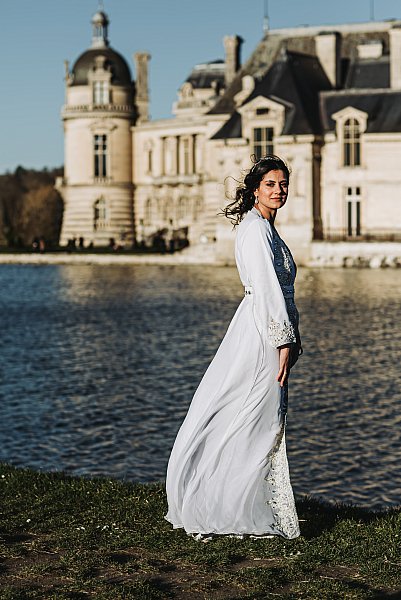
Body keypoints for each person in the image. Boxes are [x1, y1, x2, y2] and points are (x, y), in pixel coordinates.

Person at [165, 155, 302, 540]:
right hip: (260, 331)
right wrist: (283, 340)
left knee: (257, 417)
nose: (279, 191)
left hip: (263, 326)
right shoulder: (256, 230)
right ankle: (231, 502)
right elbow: (267, 289)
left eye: (283, 184)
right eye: (271, 184)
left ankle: (246, 499)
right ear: (256, 189)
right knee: (256, 416)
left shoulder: (263, 227)